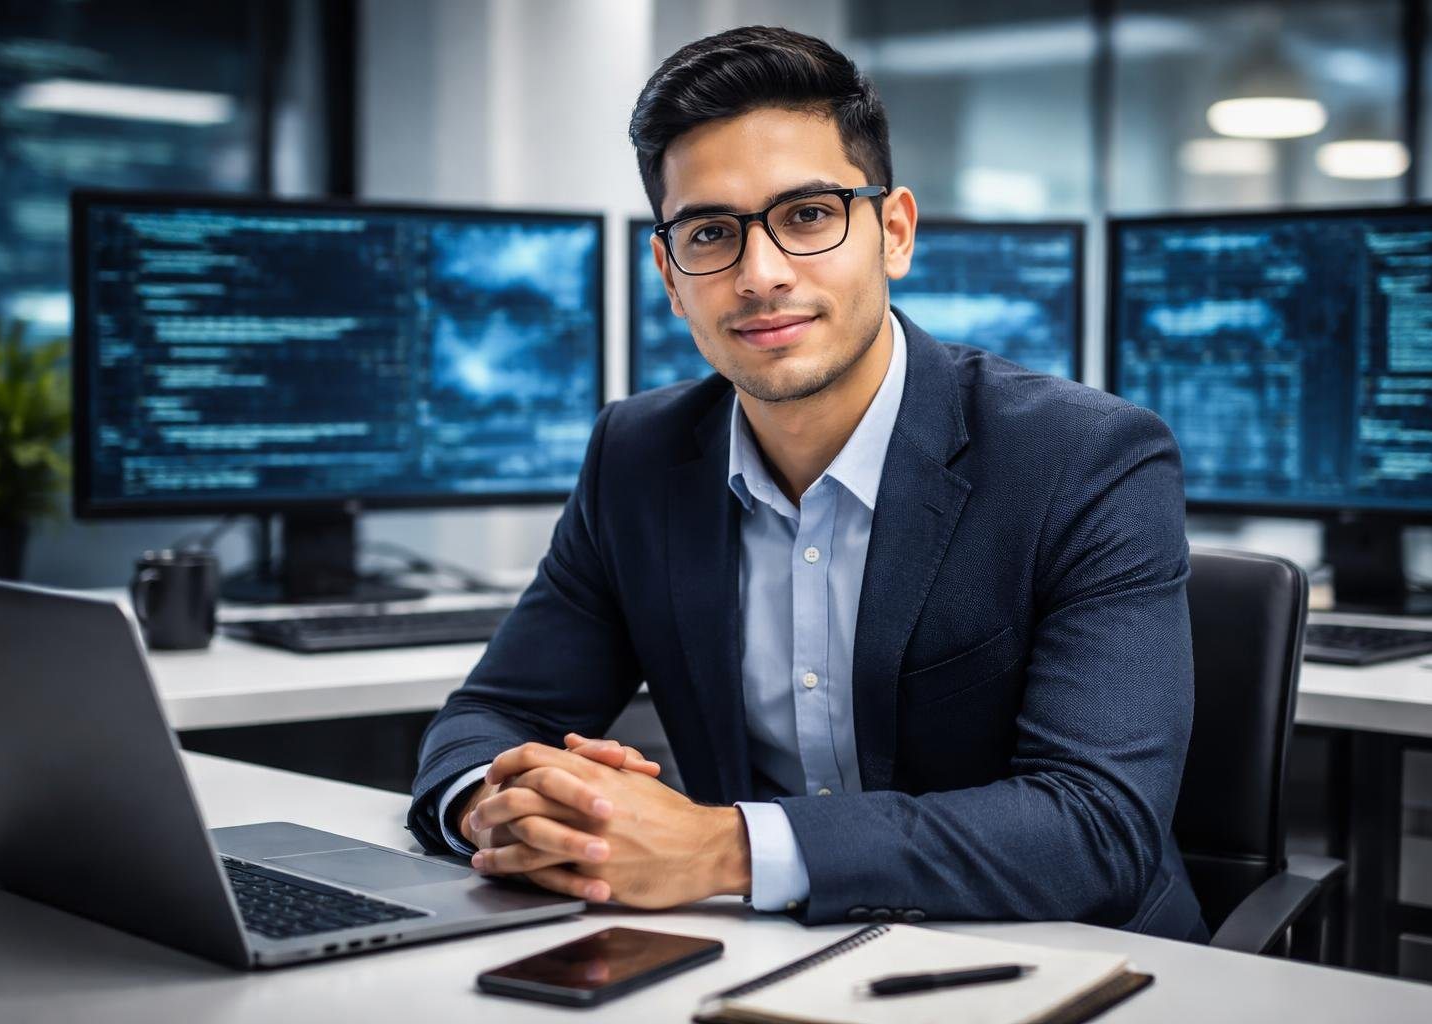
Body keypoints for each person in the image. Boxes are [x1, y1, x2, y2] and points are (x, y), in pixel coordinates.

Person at [407, 24, 1205, 940]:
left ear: (893, 231)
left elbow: (1097, 828)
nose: (761, 274)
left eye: (809, 215)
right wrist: (499, 811)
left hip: (1060, 956)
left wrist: (722, 849)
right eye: (711, 233)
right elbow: (499, 712)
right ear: (670, 276)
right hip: (760, 958)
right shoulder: (637, 455)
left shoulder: (1086, 459)